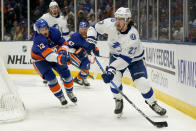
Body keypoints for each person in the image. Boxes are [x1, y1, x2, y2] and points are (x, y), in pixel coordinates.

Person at [87, 7, 167, 116]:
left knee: (142, 83)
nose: (117, 22)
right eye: (117, 18)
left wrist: (111, 69)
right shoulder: (110, 23)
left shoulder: (133, 36)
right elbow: (93, 28)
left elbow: (125, 60)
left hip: (135, 60)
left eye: (121, 19)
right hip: (116, 56)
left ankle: (152, 103)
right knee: (115, 80)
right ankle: (118, 99)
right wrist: (91, 40)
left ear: (128, 20)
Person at [31, 19, 77, 105]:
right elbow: (48, 56)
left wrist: (62, 52)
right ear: (38, 31)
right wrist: (60, 58)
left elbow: (64, 43)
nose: (45, 31)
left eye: (46, 28)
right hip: (40, 60)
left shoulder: (54, 32)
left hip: (53, 56)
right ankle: (60, 96)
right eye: (42, 30)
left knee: (66, 74)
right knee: (51, 78)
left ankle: (70, 92)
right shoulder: (38, 39)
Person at [39, 1, 70, 84]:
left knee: (61, 57)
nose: (54, 9)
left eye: (55, 7)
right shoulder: (45, 17)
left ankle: (63, 75)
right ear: (50, 9)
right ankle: (47, 75)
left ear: (58, 9)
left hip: (58, 42)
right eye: (52, 8)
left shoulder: (63, 19)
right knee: (46, 58)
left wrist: (65, 46)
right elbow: (36, 26)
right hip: (47, 42)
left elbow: (66, 34)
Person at [68, 22, 99, 86]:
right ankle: (64, 75)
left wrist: (95, 49)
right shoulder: (75, 36)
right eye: (82, 29)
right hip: (73, 54)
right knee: (83, 65)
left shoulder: (90, 36)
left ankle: (80, 78)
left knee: (86, 64)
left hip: (82, 54)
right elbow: (67, 46)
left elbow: (92, 45)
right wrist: (76, 50)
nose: (83, 30)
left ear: (87, 29)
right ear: (79, 29)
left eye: (85, 29)